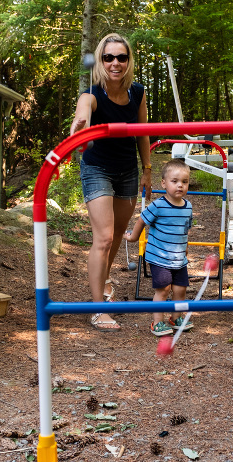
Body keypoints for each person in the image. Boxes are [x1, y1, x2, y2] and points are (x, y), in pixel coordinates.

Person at [71, 33, 153, 331]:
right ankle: (97, 309)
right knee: (103, 237)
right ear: (101, 61)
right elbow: (81, 120)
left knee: (118, 234)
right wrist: (78, 129)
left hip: (128, 170)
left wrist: (147, 168)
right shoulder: (91, 94)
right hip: (97, 169)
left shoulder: (138, 92)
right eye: (108, 57)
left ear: (129, 61)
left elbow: (142, 131)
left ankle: (103, 277)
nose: (115, 63)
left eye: (121, 57)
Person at [124, 160, 193, 336]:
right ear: (164, 183)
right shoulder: (158, 205)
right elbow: (142, 219)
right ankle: (157, 322)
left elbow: (185, 229)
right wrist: (133, 237)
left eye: (184, 182)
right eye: (175, 181)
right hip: (159, 257)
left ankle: (175, 318)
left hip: (179, 258)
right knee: (163, 290)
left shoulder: (188, 207)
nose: (180, 185)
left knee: (180, 290)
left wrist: (185, 247)